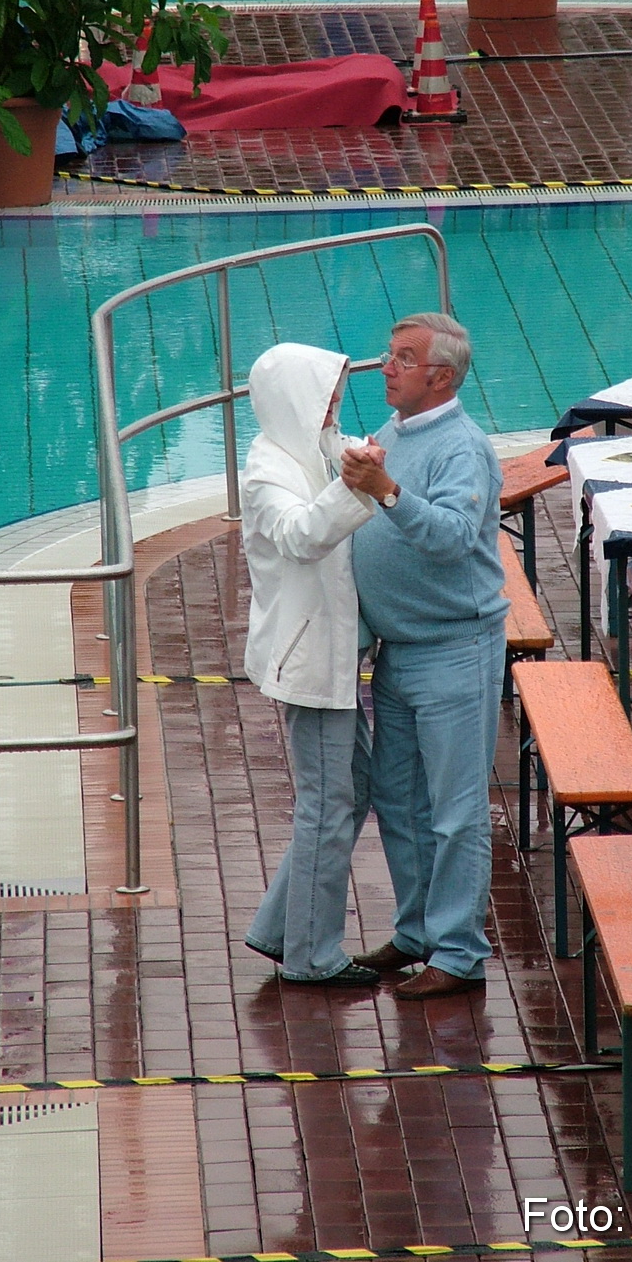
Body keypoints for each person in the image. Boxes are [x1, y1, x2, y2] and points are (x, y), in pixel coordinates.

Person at [339, 312, 507, 1000]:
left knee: (456, 807)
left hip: (453, 649)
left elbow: (450, 537)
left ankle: (459, 952)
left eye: (402, 358)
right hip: (399, 650)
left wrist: (385, 492)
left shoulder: (460, 448)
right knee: (398, 799)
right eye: (388, 354)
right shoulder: (396, 435)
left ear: (439, 376)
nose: (386, 366)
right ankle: (416, 931)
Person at [241, 342, 381, 988]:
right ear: (294, 399)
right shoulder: (267, 473)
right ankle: (312, 955)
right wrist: (355, 486)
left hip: (335, 652)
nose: (333, 405)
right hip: (309, 657)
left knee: (352, 784)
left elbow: (358, 455)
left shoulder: (317, 447)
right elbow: (300, 533)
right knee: (328, 801)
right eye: (323, 393)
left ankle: (280, 926)